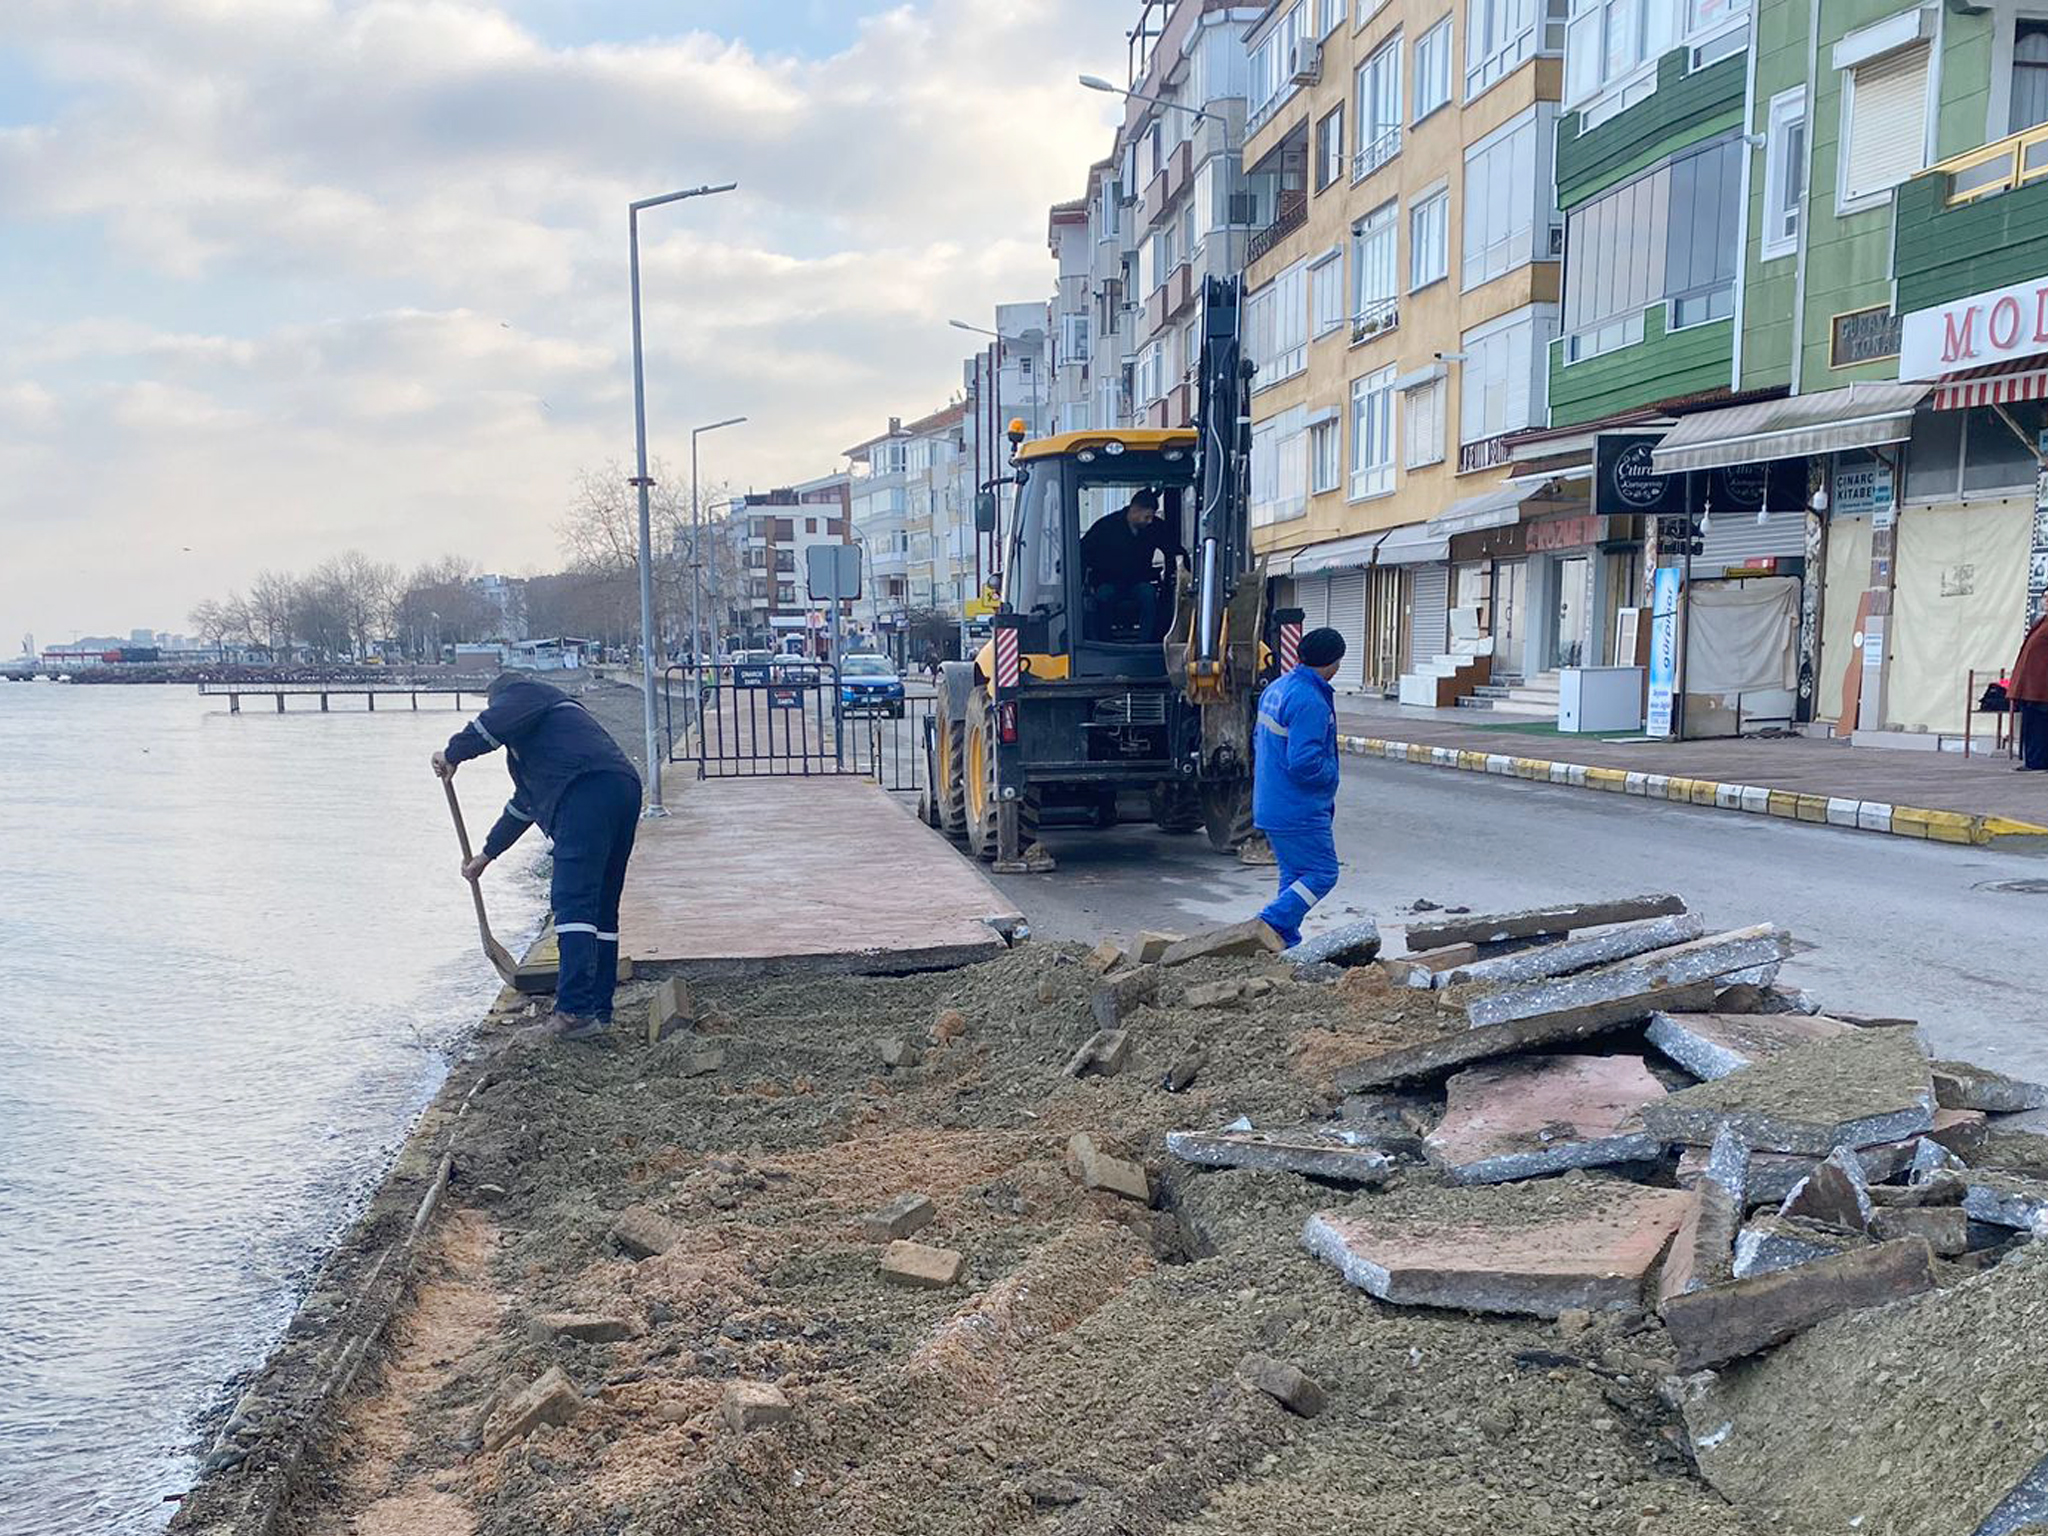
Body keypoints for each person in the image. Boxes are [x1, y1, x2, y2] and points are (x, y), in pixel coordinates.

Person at [432, 672, 642, 1040]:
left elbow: (487, 728)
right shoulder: (551, 736)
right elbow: (525, 804)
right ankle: (598, 1010)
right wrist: (486, 855)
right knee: (602, 909)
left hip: (584, 792)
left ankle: (574, 1013)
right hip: (620, 788)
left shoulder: (524, 694)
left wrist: (451, 754)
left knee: (573, 904)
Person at [1251, 628, 1346, 948]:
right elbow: (1305, 763)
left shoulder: (1277, 688)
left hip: (1271, 802)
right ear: (1334, 664)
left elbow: (1257, 743)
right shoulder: (1310, 701)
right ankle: (1268, 923)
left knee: (1294, 877)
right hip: (1298, 807)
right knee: (1322, 873)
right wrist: (1331, 775)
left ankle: (1283, 942)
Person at [1079, 489, 1186, 640]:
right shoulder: (1106, 527)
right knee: (1103, 597)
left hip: (1139, 582)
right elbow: (1082, 550)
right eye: (1147, 516)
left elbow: (1173, 549)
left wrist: (1184, 569)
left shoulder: (1155, 528)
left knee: (1148, 595)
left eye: (1152, 517)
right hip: (1109, 582)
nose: (1150, 521)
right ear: (1134, 510)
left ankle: (1146, 641)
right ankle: (1104, 641)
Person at [2012, 609, 2048, 771]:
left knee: (2041, 724)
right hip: (2031, 684)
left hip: (2043, 685)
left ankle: (2039, 762)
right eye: (2045, 597)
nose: (2046, 601)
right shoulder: (2041, 622)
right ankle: (2033, 761)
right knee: (2032, 723)